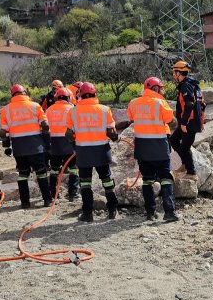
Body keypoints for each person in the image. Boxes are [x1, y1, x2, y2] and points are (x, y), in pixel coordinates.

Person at [127, 76, 179, 222]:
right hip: (159, 145)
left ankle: (150, 212)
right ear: (155, 88)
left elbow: (131, 118)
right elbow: (171, 121)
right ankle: (169, 212)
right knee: (166, 178)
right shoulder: (160, 103)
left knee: (147, 180)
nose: (161, 91)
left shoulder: (133, 103)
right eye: (160, 88)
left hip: (142, 147)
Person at [66, 82, 119, 222]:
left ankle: (88, 213)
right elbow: (111, 131)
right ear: (95, 94)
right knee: (107, 180)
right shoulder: (104, 109)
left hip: (83, 151)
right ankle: (113, 209)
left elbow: (69, 134)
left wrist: (74, 142)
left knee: (85, 183)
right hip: (101, 150)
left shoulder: (73, 111)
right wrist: (115, 137)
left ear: (80, 95)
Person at [0, 84, 54, 209]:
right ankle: (47, 200)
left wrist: (6, 146)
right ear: (25, 93)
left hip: (19, 148)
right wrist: (47, 144)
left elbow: (3, 132)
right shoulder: (35, 106)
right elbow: (45, 126)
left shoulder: (6, 110)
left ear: (12, 95)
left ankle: (25, 202)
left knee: (23, 174)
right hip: (36, 146)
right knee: (41, 173)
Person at [169, 61, 204, 175]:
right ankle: (185, 164)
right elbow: (202, 105)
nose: (173, 75)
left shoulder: (186, 85)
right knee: (173, 140)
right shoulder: (194, 85)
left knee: (185, 148)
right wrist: (201, 122)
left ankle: (191, 172)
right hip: (192, 121)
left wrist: (184, 123)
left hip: (189, 122)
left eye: (174, 73)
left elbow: (189, 105)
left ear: (179, 73)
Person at [46, 87, 80, 201]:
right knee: (73, 168)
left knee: (54, 169)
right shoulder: (72, 109)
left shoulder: (49, 109)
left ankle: (52, 194)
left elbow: (46, 128)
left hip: (54, 143)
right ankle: (73, 193)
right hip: (69, 142)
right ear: (69, 97)